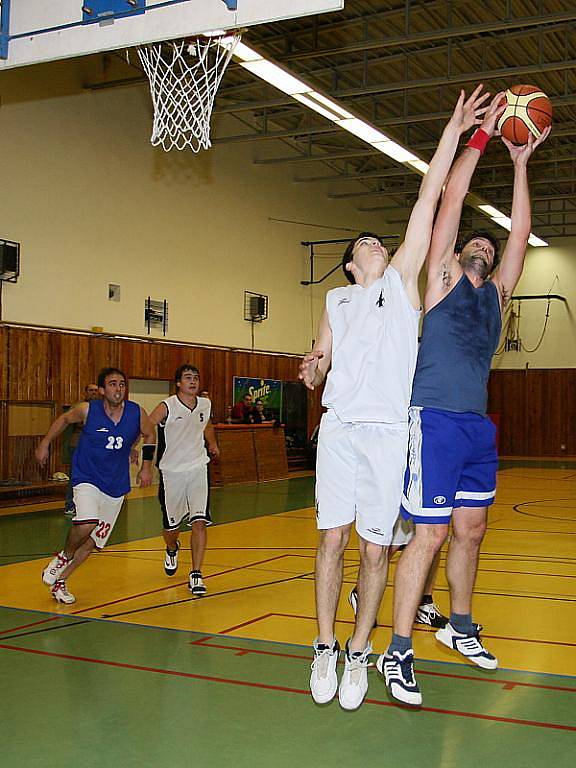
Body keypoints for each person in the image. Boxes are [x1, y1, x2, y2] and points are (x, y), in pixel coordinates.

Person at [299, 86, 490, 711]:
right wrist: (313, 367)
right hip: (340, 429)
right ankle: (325, 647)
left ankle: (361, 650)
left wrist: (456, 132)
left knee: (376, 548)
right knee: (331, 540)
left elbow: (429, 193)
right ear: (352, 267)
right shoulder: (335, 301)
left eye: (378, 242)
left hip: (386, 432)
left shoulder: (403, 284)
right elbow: (319, 358)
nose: (374, 245)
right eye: (363, 246)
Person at [378, 98, 551, 707]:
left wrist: (522, 161)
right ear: (455, 255)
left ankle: (460, 626)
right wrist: (478, 140)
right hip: (433, 421)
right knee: (427, 536)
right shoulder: (442, 280)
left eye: (487, 241)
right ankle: (397, 650)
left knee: (471, 532)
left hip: (477, 427)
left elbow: (522, 232)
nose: (483, 242)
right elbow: (449, 202)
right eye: (475, 240)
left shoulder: (498, 295)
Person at [37, 368, 155, 605]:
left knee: (93, 542)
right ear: (102, 390)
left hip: (116, 483)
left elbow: (150, 434)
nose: (118, 388)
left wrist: (146, 466)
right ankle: (64, 556)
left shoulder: (136, 412)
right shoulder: (88, 410)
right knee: (87, 521)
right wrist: (45, 443)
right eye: (112, 384)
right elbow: (63, 419)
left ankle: (61, 581)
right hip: (87, 477)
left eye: (122, 384)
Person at [149, 364, 220, 595]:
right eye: (188, 378)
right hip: (171, 473)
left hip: (198, 468)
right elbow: (147, 426)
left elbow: (206, 424)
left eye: (196, 378)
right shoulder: (166, 407)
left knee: (199, 521)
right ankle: (172, 547)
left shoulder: (205, 404)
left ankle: (196, 573)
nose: (193, 381)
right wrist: (141, 458)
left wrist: (212, 443)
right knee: (172, 527)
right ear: (178, 383)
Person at [64, 383, 99, 515]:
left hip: (95, 447)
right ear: (86, 392)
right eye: (91, 390)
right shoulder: (79, 407)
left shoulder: (102, 407)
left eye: (96, 390)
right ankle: (70, 504)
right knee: (75, 475)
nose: (94, 393)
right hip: (78, 444)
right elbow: (71, 421)